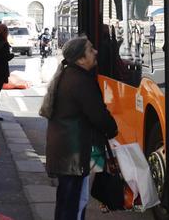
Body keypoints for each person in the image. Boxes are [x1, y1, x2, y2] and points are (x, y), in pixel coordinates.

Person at [43, 37, 119, 220]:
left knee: (67, 201)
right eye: (91, 50)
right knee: (73, 204)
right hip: (74, 153)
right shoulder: (80, 81)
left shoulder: (69, 75)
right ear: (80, 58)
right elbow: (98, 114)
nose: (96, 52)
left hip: (66, 150)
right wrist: (112, 129)